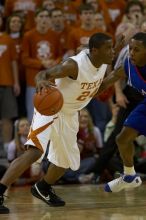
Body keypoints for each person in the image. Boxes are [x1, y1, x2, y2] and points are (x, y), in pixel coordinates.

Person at [0, 32, 115, 214]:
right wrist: (40, 81)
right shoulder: (73, 65)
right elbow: (44, 73)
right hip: (51, 108)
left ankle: (43, 188)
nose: (112, 52)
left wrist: (115, 75)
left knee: (65, 161)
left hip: (70, 113)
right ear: (95, 50)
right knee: (34, 152)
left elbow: (96, 88)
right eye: (109, 48)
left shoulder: (101, 63)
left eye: (112, 47)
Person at [97, 32, 146, 193]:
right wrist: (84, 93)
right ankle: (129, 176)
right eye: (130, 48)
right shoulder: (128, 64)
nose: (131, 53)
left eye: (136, 50)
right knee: (122, 139)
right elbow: (109, 79)